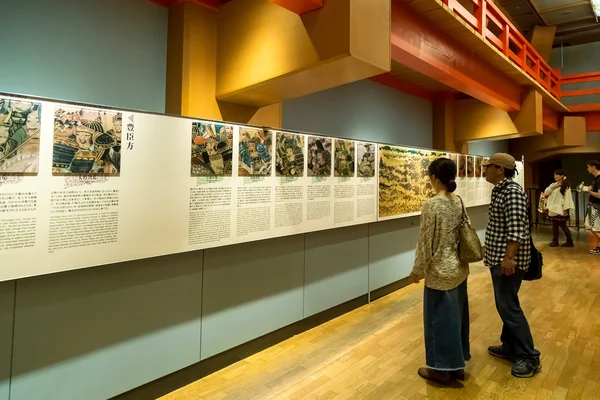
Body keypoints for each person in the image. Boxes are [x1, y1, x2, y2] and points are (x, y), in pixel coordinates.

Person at [410, 157, 471, 386]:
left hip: (439, 272)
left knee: (438, 321)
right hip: (458, 268)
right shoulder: (457, 201)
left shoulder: (432, 204)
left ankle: (441, 369)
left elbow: (425, 241)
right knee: (456, 318)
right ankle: (457, 366)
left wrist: (417, 270)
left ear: (434, 178)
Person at [482, 153, 541, 378]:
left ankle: (529, 356)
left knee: (508, 306)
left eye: (488, 166)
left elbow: (516, 229)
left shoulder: (512, 192)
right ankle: (510, 346)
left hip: (507, 260)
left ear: (500, 169)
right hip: (499, 257)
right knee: (507, 303)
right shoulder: (501, 190)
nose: (484, 170)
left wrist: (509, 259)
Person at [544, 169, 574, 247]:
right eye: (555, 175)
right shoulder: (553, 184)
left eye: (557, 175)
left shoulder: (565, 186)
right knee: (554, 225)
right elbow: (546, 192)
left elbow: (568, 198)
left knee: (563, 225)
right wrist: (554, 187)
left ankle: (569, 241)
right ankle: (555, 241)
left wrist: (566, 209)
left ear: (562, 176)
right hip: (553, 208)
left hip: (561, 209)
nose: (555, 176)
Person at [585, 160, 600, 254]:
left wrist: (590, 192)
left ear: (593, 167)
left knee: (594, 227)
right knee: (591, 226)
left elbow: (599, 195)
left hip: (596, 207)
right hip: (593, 206)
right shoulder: (596, 179)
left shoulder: (599, 179)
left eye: (588, 167)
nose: (587, 169)